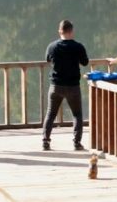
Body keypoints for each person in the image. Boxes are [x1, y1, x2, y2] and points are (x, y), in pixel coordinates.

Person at [42, 20, 89, 151]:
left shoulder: (52, 46)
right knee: (77, 115)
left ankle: (45, 141)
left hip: (55, 86)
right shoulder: (78, 47)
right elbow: (85, 62)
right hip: (73, 86)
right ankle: (76, 142)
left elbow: (47, 59)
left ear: (60, 31)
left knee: (51, 114)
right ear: (71, 31)